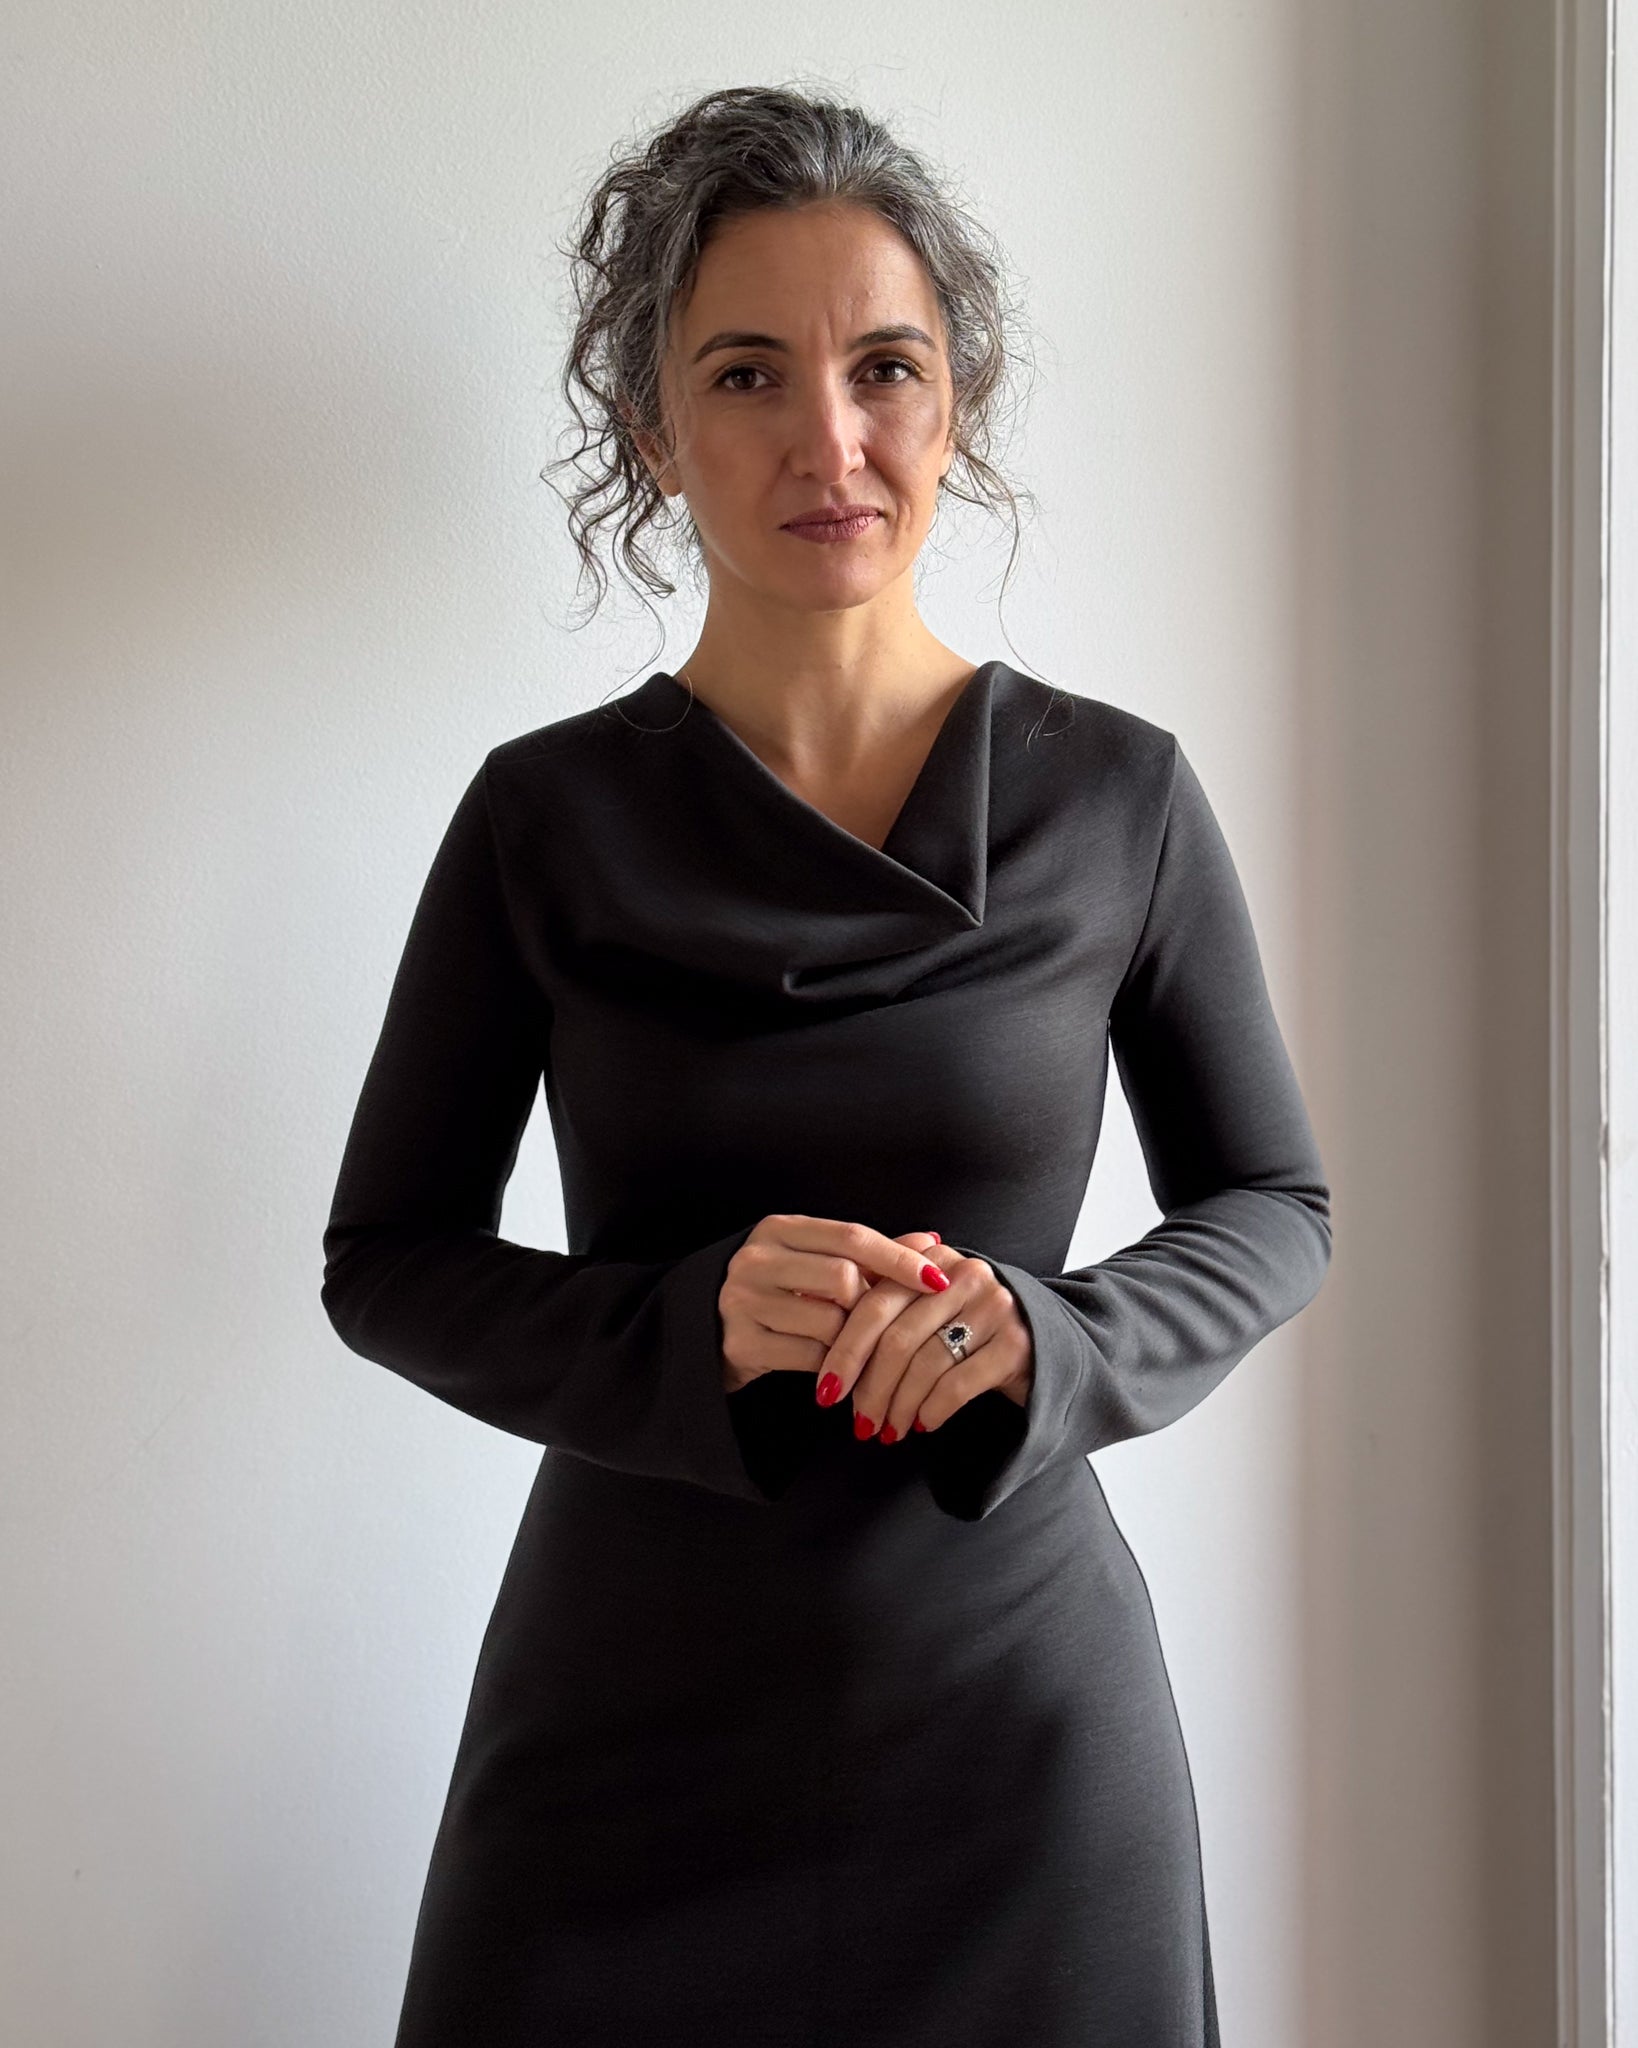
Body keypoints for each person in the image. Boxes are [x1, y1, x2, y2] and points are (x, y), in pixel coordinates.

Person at [321, 82, 1332, 2048]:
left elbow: (1272, 1203)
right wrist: (682, 1323)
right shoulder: (541, 818)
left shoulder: (1117, 798)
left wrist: (1055, 1335)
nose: (830, 440)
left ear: (957, 402)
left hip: (1022, 1735)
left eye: (884, 368)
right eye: (748, 375)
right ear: (653, 428)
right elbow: (389, 1257)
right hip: (619, 1734)